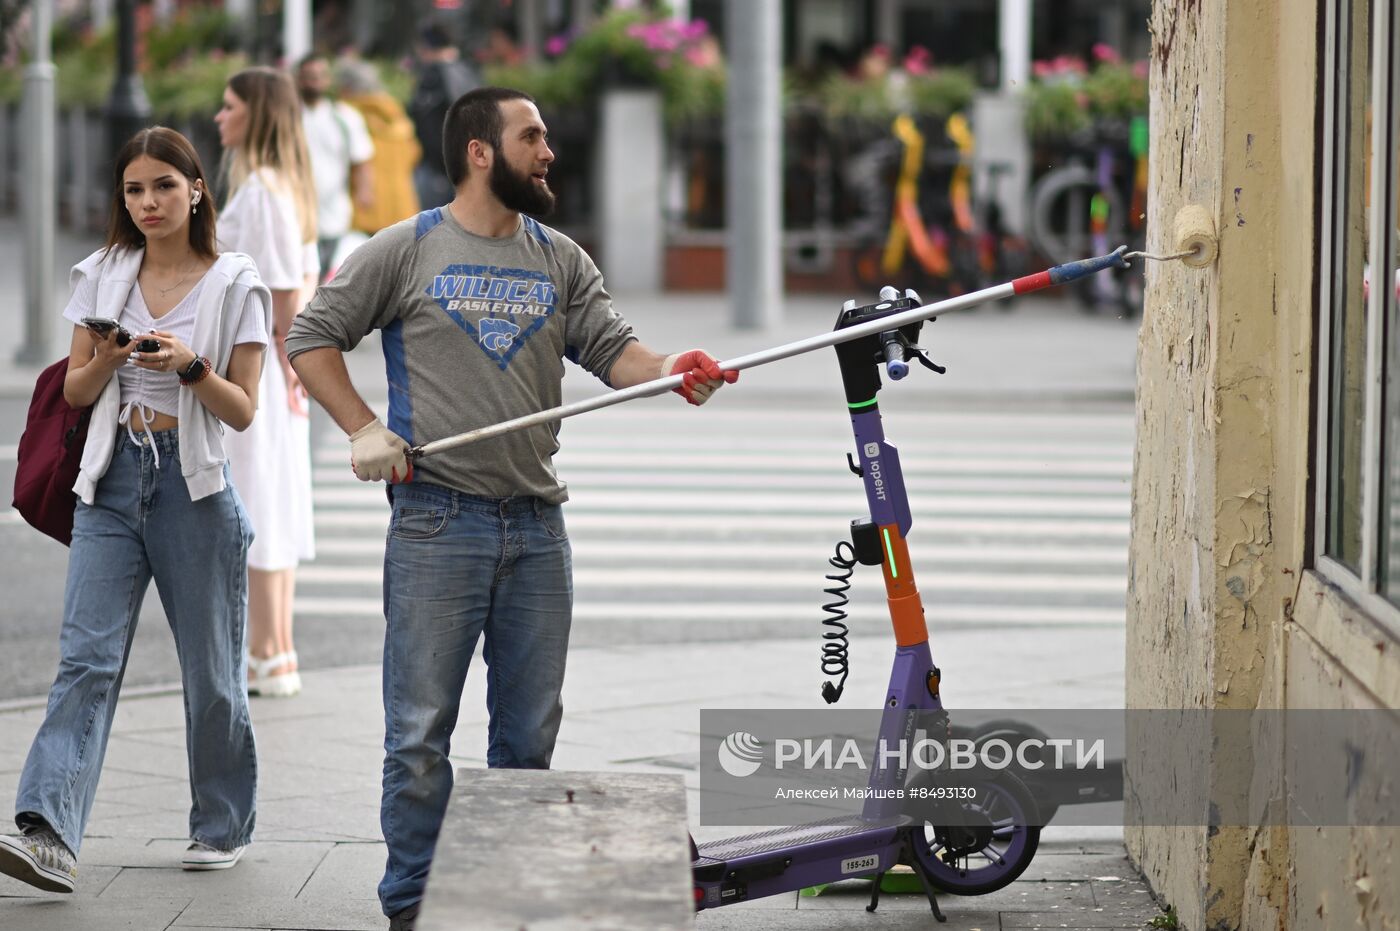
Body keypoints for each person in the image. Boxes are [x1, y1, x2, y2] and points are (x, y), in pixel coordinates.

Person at [286, 87, 738, 931]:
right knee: (419, 740)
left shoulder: (561, 257)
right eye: (532, 135)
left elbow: (614, 350)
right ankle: (414, 908)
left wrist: (678, 366)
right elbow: (310, 335)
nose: (548, 151)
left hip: (536, 527)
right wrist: (364, 427)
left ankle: (498, 901)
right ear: (481, 152)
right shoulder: (407, 247)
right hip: (435, 520)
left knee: (527, 743)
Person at [0, 127, 271, 892]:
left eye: (162, 186)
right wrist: (113, 356)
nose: (148, 202)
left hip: (194, 488)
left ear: (196, 190)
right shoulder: (105, 274)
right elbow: (76, 390)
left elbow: (244, 408)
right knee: (85, 658)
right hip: (112, 483)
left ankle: (222, 823)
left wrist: (189, 367)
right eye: (133, 190)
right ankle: (48, 830)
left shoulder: (235, 282)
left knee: (212, 671)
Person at [215, 67, 320, 698]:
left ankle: (268, 650)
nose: (220, 117)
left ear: (256, 115)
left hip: (266, 366)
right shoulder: (283, 187)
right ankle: (274, 651)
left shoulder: (260, 192)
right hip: (281, 369)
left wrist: (286, 366)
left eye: (230, 107)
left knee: (257, 505)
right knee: (272, 504)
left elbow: (283, 295)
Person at [297, 52, 375, 280]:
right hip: (297, 216)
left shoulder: (345, 118)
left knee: (329, 277)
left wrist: (364, 191)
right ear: (299, 80)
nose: (315, 81)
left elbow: (361, 159)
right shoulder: (288, 118)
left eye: (320, 76)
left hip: (334, 216)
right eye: (309, 76)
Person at [337, 58, 421, 236]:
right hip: (402, 210)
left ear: (346, 88)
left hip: (362, 212)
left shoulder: (346, 117)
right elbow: (414, 155)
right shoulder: (398, 117)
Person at [408, 23, 479, 209]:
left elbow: (425, 122)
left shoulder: (435, 75)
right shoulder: (469, 72)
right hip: (468, 167)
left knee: (430, 230)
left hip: (438, 169)